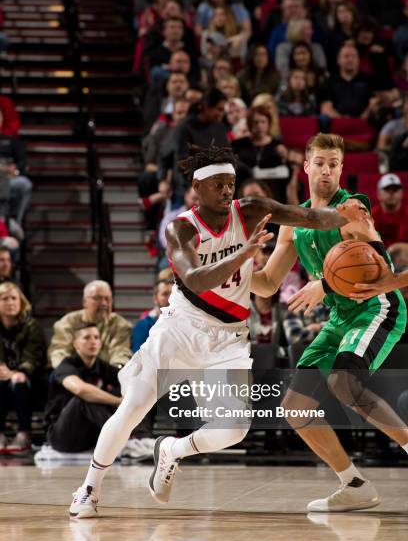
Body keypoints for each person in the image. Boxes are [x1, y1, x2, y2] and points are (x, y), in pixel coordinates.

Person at [69, 143, 365, 518]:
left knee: (234, 430)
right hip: (180, 329)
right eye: (219, 185)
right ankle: (88, 489)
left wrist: (346, 215)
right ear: (197, 186)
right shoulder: (180, 228)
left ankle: (173, 450)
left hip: (228, 339)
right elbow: (194, 278)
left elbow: (306, 217)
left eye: (231, 183)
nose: (228, 191)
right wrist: (244, 255)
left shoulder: (251, 210)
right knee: (133, 407)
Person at [252, 133, 408, 512]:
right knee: (295, 405)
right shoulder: (293, 221)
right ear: (305, 166)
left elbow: (381, 267)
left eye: (333, 164)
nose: (326, 170)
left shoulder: (352, 209)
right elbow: (269, 284)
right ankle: (353, 483)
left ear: (341, 169)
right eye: (319, 162)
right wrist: (238, 268)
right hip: (340, 319)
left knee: (343, 381)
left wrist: (325, 282)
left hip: (376, 309)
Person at [45, 324, 122, 453]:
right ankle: (124, 440)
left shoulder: (101, 366)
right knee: (84, 398)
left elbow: (128, 380)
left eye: (96, 337)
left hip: (89, 435)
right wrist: (118, 401)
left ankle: (141, 439)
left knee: (132, 392)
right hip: (62, 436)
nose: (93, 341)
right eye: (87, 338)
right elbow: (81, 390)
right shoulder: (66, 365)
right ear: (75, 344)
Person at [0, 282, 46, 452]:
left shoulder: (32, 326)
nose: (10, 302)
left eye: (14, 298)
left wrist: (19, 371)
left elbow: (33, 356)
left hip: (31, 377)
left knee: (18, 381)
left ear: (21, 302)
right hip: (4, 376)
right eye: (5, 299)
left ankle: (23, 434)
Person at [48, 280, 132, 370]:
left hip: (106, 375)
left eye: (108, 299)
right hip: (72, 374)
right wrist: (68, 373)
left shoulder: (120, 325)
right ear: (84, 302)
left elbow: (120, 352)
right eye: (97, 298)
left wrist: (115, 371)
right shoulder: (68, 323)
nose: (104, 303)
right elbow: (59, 351)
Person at [131, 280, 173, 352]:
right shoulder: (142, 326)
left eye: (173, 294)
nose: (170, 298)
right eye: (165, 294)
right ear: (155, 298)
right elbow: (138, 355)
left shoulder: (184, 321)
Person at [371, 174, 408, 248]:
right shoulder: (370, 216)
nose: (391, 193)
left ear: (402, 193)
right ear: (378, 194)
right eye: (387, 189)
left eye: (395, 190)